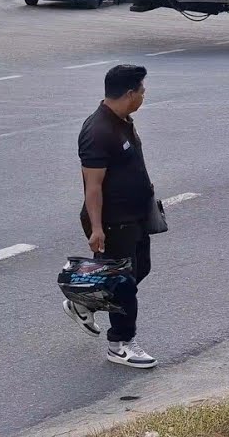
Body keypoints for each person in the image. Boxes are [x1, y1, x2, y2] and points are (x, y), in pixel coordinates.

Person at [64, 64, 158, 368]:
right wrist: (96, 228)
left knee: (140, 269)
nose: (144, 95)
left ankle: (84, 300)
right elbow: (92, 187)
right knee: (124, 283)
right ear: (130, 93)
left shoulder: (122, 120)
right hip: (114, 222)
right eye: (142, 91)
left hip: (135, 215)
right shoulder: (98, 131)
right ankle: (120, 344)